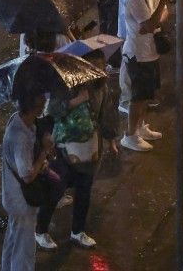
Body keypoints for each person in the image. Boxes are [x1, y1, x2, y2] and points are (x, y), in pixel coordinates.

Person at [34, 53, 118, 249]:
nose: (98, 70)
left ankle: (78, 231)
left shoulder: (101, 88)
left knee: (84, 191)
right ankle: (40, 231)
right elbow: (53, 111)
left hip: (90, 149)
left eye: (101, 66)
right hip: (64, 148)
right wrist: (78, 99)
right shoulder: (65, 85)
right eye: (94, 65)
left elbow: (106, 113)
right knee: (55, 190)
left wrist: (111, 139)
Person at [1, 90, 54, 271]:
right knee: (24, 249)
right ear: (37, 108)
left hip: (14, 198)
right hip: (21, 200)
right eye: (41, 103)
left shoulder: (21, 122)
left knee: (13, 241)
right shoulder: (20, 136)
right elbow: (27, 175)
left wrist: (40, 161)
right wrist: (45, 152)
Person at [119, 0, 171, 152]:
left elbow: (163, 14)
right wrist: (161, 6)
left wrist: (158, 14)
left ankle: (141, 127)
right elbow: (148, 26)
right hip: (138, 54)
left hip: (150, 51)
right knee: (138, 97)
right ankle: (130, 135)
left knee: (148, 95)